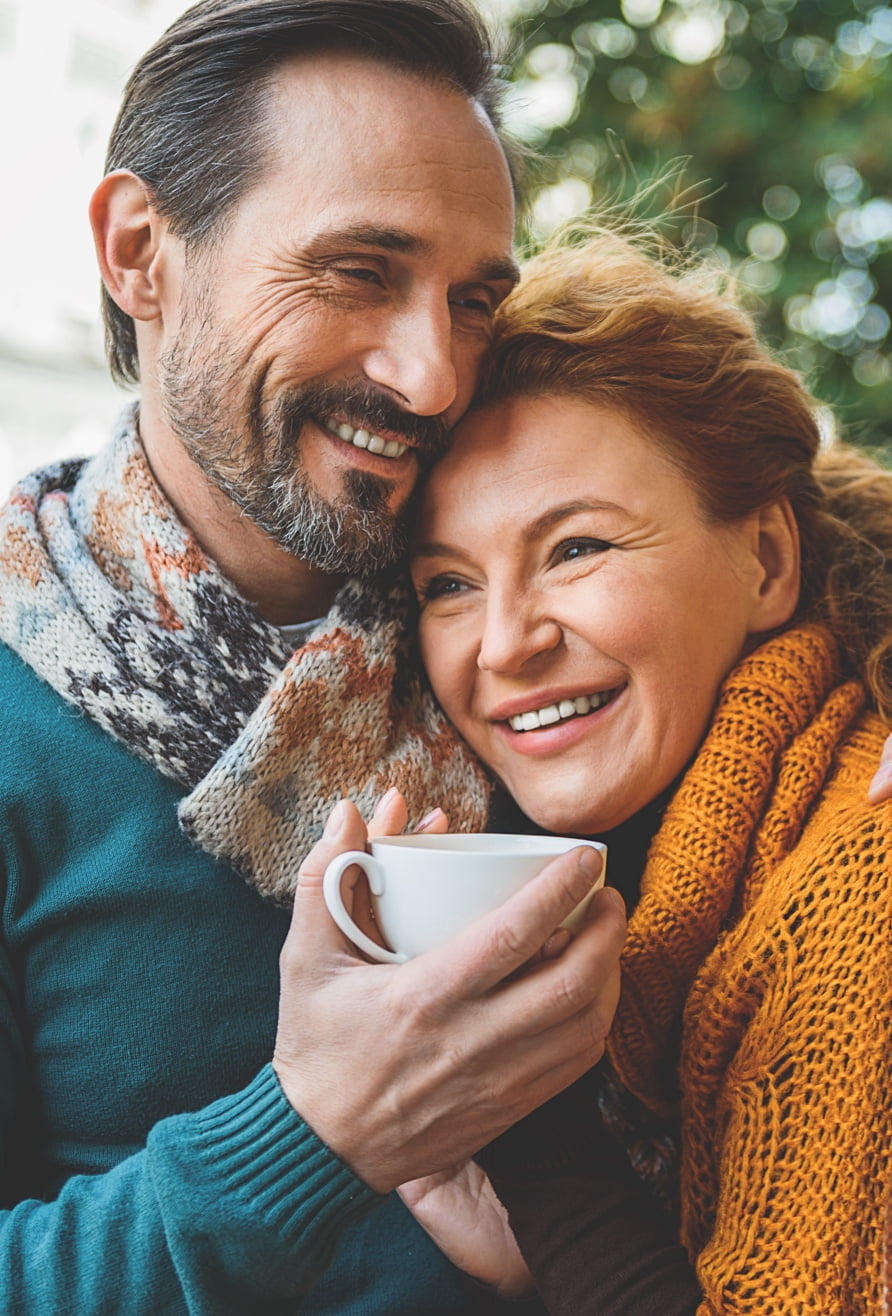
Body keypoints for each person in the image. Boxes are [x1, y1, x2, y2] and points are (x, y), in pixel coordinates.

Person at [0, 2, 627, 1310]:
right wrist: (314, 1135)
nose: (435, 376)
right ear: (139, 252)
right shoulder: (17, 720)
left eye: (473, 302)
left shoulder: (547, 643)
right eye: (358, 271)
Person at [398, 227, 892, 1312]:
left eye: (575, 547)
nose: (502, 643)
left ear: (765, 558)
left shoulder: (858, 883)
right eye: (447, 584)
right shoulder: (688, 880)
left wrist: (523, 1133)